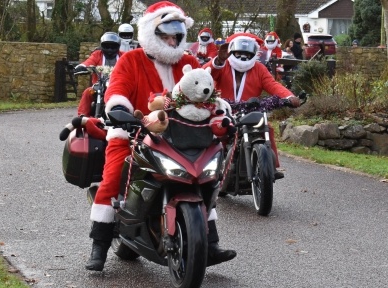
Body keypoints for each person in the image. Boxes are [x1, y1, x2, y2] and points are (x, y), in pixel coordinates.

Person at [85, 1, 237, 272]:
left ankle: (209, 243)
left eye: (176, 36)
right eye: (165, 35)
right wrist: (119, 108)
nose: (171, 40)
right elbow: (118, 88)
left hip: (185, 137)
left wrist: (222, 112)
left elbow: (208, 92)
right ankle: (99, 246)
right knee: (112, 178)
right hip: (133, 132)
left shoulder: (189, 62)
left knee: (205, 180)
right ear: (150, 33)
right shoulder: (132, 60)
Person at [203, 32, 301, 178]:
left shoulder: (259, 68)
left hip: (250, 111)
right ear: (231, 51)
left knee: (267, 129)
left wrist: (289, 96)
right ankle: (210, 166)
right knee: (216, 131)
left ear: (254, 53)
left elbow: (273, 85)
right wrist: (218, 60)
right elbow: (205, 75)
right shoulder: (223, 64)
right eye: (239, 53)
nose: (243, 56)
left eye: (247, 53)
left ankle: (270, 168)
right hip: (224, 111)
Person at [75, 32, 124, 116]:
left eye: (113, 46)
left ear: (118, 46)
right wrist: (82, 66)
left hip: (119, 86)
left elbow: (131, 64)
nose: (109, 49)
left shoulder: (124, 55)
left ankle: (133, 117)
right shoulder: (97, 54)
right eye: (107, 46)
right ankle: (82, 117)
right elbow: (89, 61)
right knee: (88, 92)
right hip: (99, 85)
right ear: (102, 46)